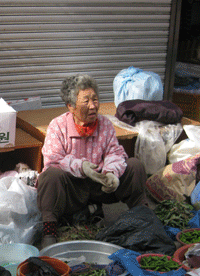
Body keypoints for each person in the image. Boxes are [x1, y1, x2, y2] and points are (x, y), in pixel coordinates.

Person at [37, 74, 148, 248]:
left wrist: (112, 173)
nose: (92, 106)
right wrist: (81, 167)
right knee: (50, 176)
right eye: (86, 101)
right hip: (72, 189)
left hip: (100, 186)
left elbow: (115, 152)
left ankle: (142, 218)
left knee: (135, 165)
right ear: (71, 107)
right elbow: (53, 159)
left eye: (95, 99)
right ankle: (49, 231)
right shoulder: (57, 126)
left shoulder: (105, 124)